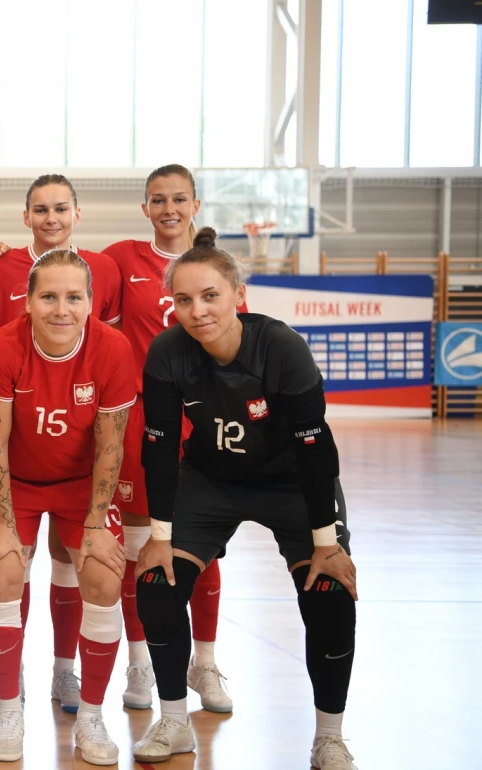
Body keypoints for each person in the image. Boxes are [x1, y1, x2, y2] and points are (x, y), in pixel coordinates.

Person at [131, 229, 357, 770]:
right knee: (157, 582)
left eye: (210, 295)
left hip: (291, 483)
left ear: (238, 293)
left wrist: (326, 543)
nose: (197, 311)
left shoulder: (281, 347)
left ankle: (329, 738)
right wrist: (159, 537)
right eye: (184, 299)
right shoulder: (168, 352)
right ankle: (174, 723)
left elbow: (316, 447)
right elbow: (159, 446)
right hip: (211, 480)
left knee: (329, 592)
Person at [0, 173, 125, 714]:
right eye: (49, 297)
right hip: (17, 480)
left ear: (91, 302)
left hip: (79, 483)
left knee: (103, 575)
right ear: (28, 302)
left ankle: (84, 702)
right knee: (4, 570)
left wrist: (97, 524)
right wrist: (4, 523)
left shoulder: (112, 348)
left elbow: (110, 447)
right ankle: (9, 706)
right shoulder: (1, 348)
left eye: (74, 298)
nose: (62, 309)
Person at [103, 164, 231, 712]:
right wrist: (3, 255)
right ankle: (141, 664)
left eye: (179, 199)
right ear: (145, 208)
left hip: (203, 419)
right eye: (158, 200)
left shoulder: (215, 268)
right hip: (141, 417)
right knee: (140, 546)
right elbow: (64, 272)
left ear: (195, 204)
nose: (169, 209)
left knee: (203, 544)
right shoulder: (120, 259)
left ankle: (205, 663)